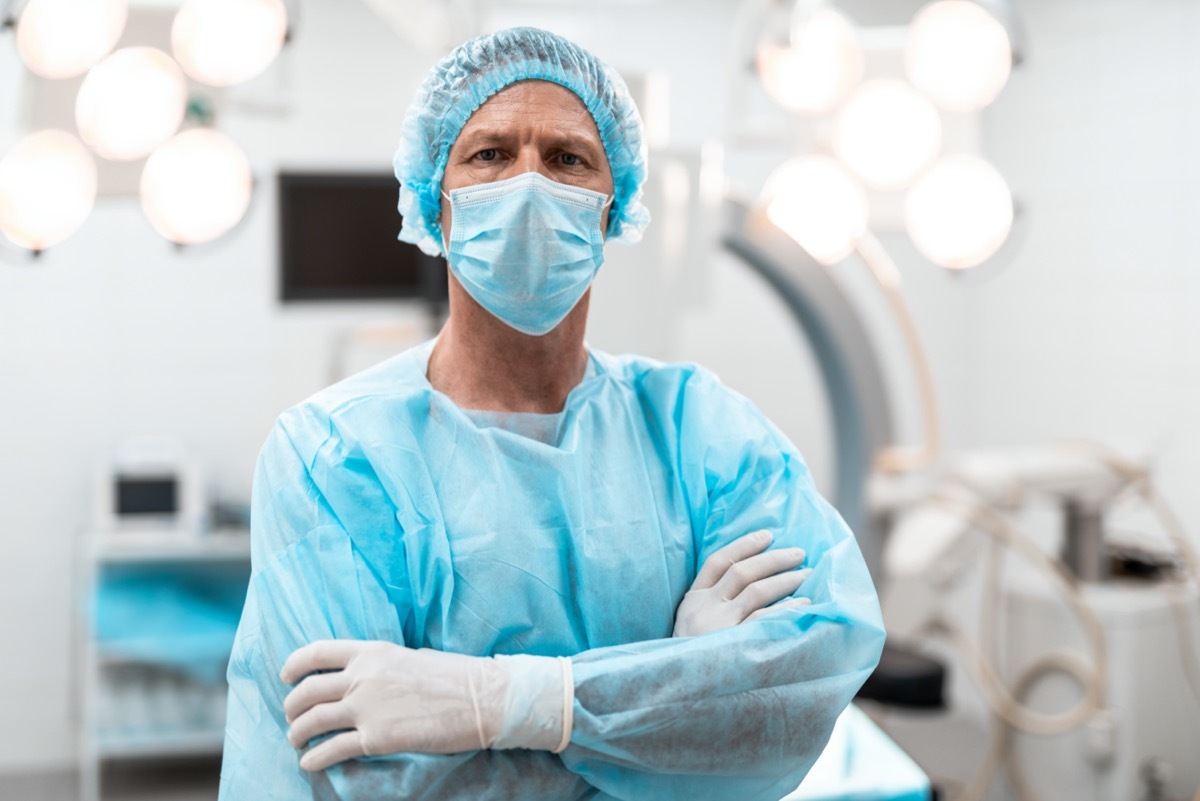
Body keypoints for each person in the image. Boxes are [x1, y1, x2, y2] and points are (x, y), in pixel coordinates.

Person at [218, 26, 884, 801]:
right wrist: (686, 685)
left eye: (568, 158)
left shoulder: (700, 430)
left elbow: (801, 693)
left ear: (613, 207)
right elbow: (373, 775)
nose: (529, 183)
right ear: (437, 204)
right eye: (490, 154)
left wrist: (497, 703)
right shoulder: (332, 455)